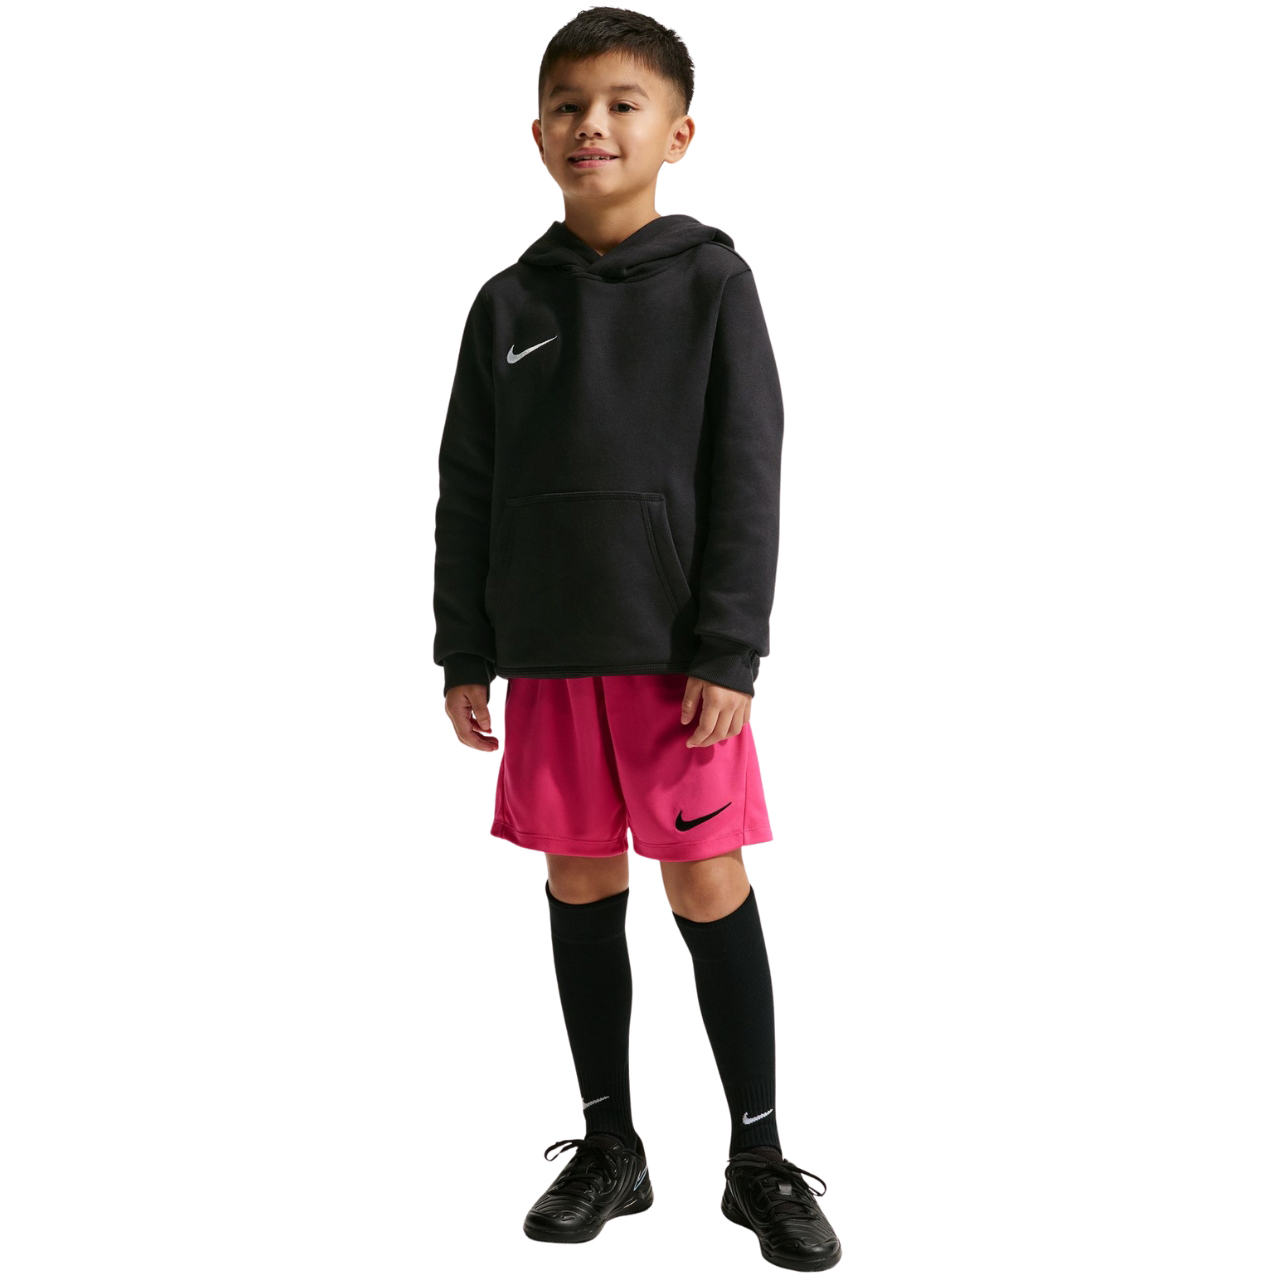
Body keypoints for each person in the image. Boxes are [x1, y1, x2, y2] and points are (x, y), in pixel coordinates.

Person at [432, 6, 841, 1271]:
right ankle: (611, 1145)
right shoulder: (505, 302)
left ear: (678, 132)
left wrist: (730, 649)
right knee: (577, 881)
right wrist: (464, 647)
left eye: (621, 103)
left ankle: (758, 1157)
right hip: (549, 658)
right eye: (568, 105)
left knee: (705, 882)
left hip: (676, 666)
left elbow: (747, 471)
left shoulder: (714, 283)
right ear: (535, 131)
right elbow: (466, 485)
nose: (591, 125)